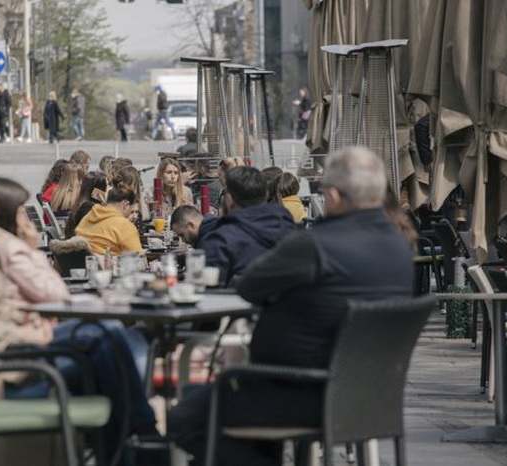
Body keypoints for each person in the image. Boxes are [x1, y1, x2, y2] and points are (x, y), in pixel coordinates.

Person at [168, 147, 415, 465]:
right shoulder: (399, 247)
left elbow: (249, 286)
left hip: (298, 390)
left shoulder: (315, 245)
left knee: (186, 417)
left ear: (335, 195)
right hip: (371, 396)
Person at [0, 157, 157, 461]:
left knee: (112, 340)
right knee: (104, 340)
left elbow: (1, 303)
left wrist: (25, 321)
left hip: (13, 356)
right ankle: (145, 441)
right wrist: (23, 332)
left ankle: (136, 446)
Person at [182, 166, 295, 287]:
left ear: (229, 199)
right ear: (265, 195)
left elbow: (207, 292)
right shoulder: (290, 228)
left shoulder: (219, 241)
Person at [75, 186, 144, 255]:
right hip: (110, 264)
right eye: (131, 211)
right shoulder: (124, 225)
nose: (131, 215)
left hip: (82, 263)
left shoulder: (87, 218)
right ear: (126, 205)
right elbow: (139, 260)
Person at [65, 171, 108, 238]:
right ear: (98, 190)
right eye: (107, 186)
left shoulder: (82, 203)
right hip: (83, 245)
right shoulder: (87, 208)